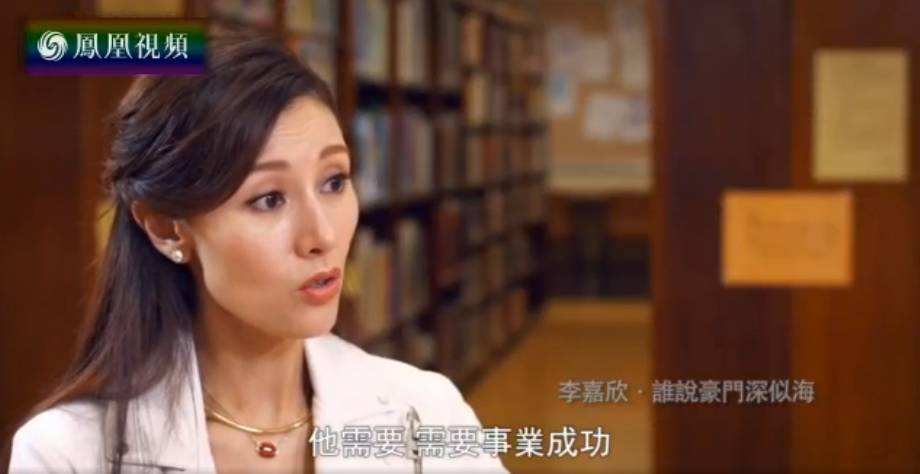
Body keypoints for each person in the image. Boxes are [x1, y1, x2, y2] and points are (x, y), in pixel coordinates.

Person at [8, 27, 509, 474]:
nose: (323, 235)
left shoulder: (427, 413)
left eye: (334, 181)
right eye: (269, 199)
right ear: (166, 228)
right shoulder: (66, 454)